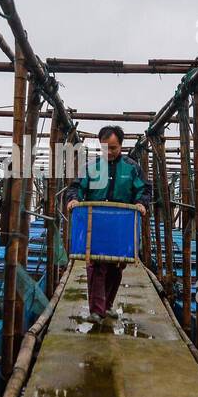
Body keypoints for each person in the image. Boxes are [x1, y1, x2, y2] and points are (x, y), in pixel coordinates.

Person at [66, 125, 152, 319]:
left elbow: (145, 190)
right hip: (96, 225)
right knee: (97, 265)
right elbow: (77, 187)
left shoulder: (132, 168)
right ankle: (96, 310)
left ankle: (107, 305)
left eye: (113, 147)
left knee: (117, 266)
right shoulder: (91, 167)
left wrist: (141, 203)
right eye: (104, 147)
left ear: (121, 145)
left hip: (121, 226)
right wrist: (73, 199)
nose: (109, 152)